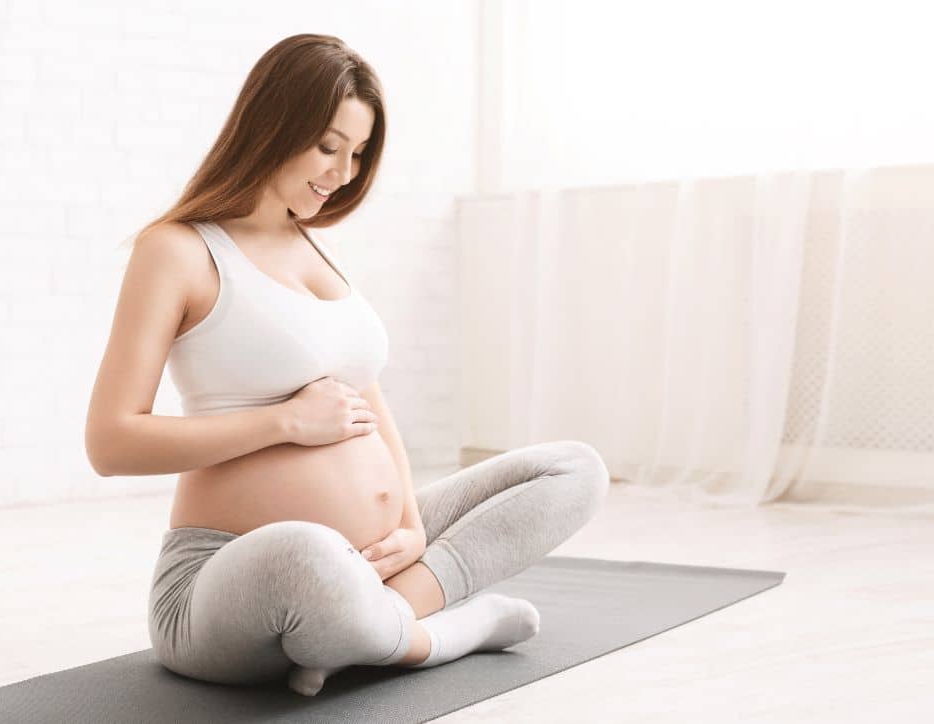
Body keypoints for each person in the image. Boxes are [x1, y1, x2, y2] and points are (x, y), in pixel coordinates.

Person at [84, 33, 610, 697]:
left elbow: (369, 397)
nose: (344, 172)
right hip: (228, 578)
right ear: (271, 124)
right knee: (307, 552)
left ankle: (370, 622)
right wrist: (285, 423)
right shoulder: (178, 250)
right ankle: (444, 632)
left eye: (358, 154)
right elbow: (110, 442)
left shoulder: (311, 247)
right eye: (329, 146)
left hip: (375, 562)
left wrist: (412, 529)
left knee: (574, 470)